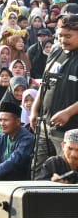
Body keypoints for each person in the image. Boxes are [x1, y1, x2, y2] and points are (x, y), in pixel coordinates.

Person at [30, 12, 78, 175]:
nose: (63, 40)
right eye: (60, 36)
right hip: (45, 125)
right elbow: (44, 83)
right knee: (39, 171)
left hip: (69, 131)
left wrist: (68, 113)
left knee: (67, 174)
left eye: (68, 36)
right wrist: (35, 110)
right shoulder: (56, 51)